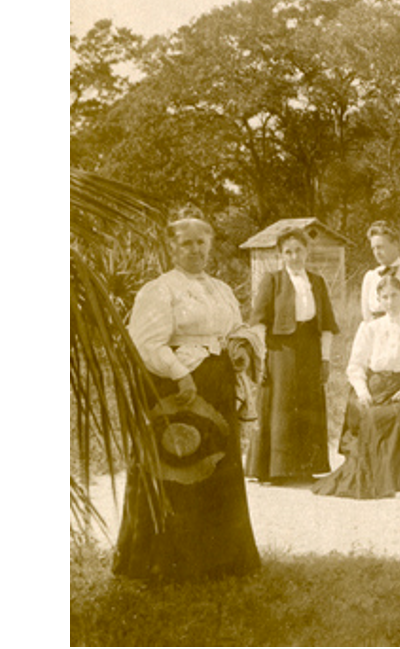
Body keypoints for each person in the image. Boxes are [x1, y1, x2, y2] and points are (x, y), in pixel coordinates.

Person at [115, 206, 261, 581]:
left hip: (217, 385)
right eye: (186, 244)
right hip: (175, 387)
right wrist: (180, 375)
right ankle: (167, 562)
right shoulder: (160, 289)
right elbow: (146, 343)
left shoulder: (221, 289)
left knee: (217, 466)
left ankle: (222, 560)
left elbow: (237, 328)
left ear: (210, 245)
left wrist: (241, 349)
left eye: (201, 243)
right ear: (171, 249)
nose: (195, 250)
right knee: (176, 467)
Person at [312, 275, 400, 499]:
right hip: (373, 385)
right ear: (378, 300)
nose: (390, 302)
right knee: (371, 414)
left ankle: (398, 476)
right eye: (384, 297)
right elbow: (355, 366)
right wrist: (363, 391)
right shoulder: (369, 328)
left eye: (394, 296)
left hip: (399, 385)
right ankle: (376, 474)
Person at [245, 228, 340, 484]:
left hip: (310, 348)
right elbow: (259, 323)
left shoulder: (317, 282)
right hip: (280, 350)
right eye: (288, 252)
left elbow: (327, 325)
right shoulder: (272, 280)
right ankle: (276, 470)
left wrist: (325, 358)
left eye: (298, 250)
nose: (294, 256)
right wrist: (261, 357)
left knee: (308, 406)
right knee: (281, 406)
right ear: (280, 255)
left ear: (307, 252)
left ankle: (305, 467)